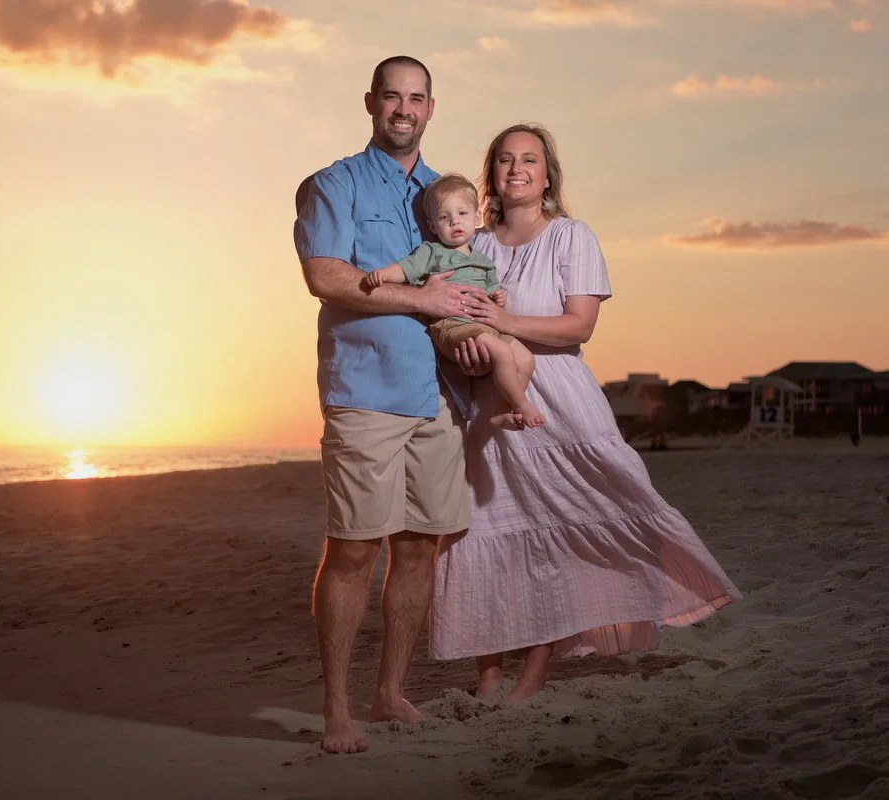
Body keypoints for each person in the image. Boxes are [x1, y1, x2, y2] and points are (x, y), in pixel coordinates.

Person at [429, 123, 743, 703]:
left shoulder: (572, 236)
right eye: (504, 159)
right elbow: (454, 318)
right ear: (491, 174)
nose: (516, 169)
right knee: (487, 534)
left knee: (561, 532)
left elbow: (580, 325)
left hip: (562, 405)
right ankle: (488, 675)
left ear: (548, 175)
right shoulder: (474, 245)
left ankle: (533, 672)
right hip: (491, 407)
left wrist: (502, 324)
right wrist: (468, 346)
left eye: (529, 159)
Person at [292, 56, 493, 754]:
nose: (403, 109)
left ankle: (390, 692)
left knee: (418, 548)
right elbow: (327, 277)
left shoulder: (449, 194)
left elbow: (474, 283)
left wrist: (478, 336)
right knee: (352, 550)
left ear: (430, 109)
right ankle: (338, 711)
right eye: (391, 97)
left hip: (436, 399)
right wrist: (423, 299)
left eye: (416, 98)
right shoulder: (332, 184)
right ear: (370, 103)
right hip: (365, 395)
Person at [361, 173, 546, 428]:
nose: (455, 222)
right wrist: (384, 275)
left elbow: (493, 294)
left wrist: (498, 296)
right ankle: (522, 405)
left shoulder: (483, 261)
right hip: (453, 325)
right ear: (433, 225)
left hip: (486, 326)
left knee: (526, 359)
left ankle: (507, 410)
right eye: (445, 218)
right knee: (502, 352)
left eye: (462, 214)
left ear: (476, 218)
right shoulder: (433, 251)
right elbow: (407, 268)